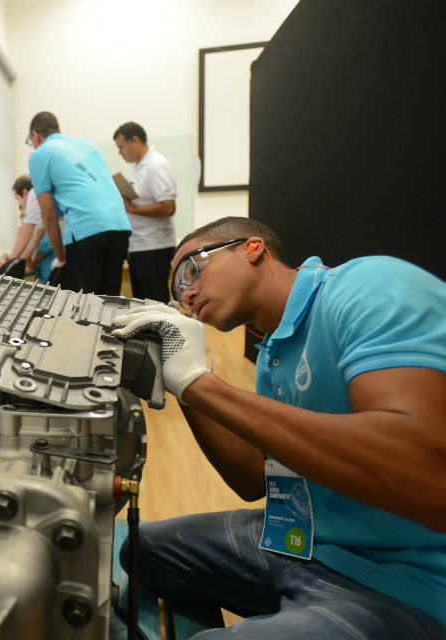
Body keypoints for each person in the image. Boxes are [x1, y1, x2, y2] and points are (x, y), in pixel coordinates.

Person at [111, 216, 446, 638]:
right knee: (143, 551)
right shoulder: (273, 349)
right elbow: (254, 478)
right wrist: (179, 380)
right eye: (177, 290)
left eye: (192, 270)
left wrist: (201, 383)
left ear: (253, 249)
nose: (187, 293)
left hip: (405, 582)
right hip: (306, 544)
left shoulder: (367, 284)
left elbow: (421, 472)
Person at [27, 111, 131, 295]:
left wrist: (60, 257)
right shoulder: (87, 144)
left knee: (86, 308)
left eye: (31, 141)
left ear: (35, 135)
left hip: (86, 229)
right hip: (120, 226)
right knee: (110, 300)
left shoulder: (39, 155)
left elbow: (48, 214)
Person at [112, 121, 177, 302]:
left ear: (136, 141)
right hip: (139, 245)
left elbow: (168, 207)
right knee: (142, 304)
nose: (120, 152)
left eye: (121, 147)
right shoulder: (137, 166)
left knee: (155, 304)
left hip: (154, 246)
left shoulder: (157, 165)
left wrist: (133, 208)